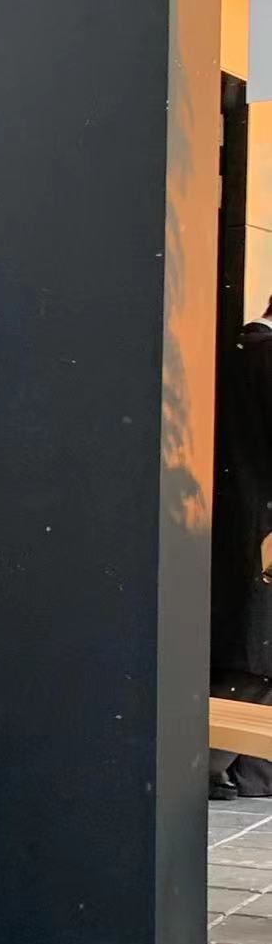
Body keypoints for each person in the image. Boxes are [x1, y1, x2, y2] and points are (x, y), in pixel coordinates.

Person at [210, 295, 272, 798]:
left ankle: (244, 772)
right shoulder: (264, 357)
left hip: (230, 516)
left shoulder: (229, 351)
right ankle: (214, 763)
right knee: (254, 653)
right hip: (260, 524)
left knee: (250, 649)